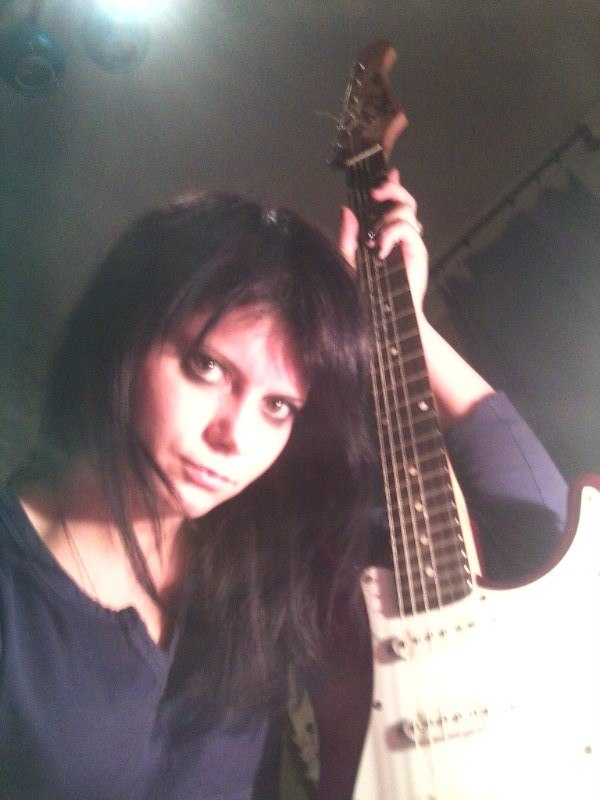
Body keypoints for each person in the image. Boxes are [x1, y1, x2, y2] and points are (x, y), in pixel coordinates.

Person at [0, 172, 567, 800]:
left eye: (278, 406)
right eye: (207, 367)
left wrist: (403, 326)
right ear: (123, 337)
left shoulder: (271, 556)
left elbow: (538, 526)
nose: (234, 436)